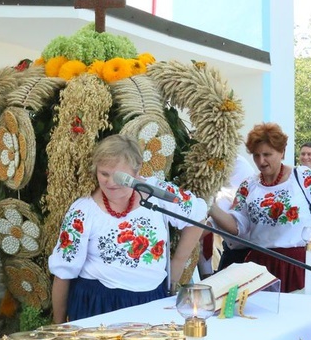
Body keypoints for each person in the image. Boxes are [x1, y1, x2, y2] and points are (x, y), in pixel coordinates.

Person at [48, 134, 208, 323]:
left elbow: (197, 214)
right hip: (98, 304)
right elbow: (63, 273)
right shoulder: (83, 210)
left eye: (119, 176)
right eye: (104, 174)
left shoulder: (156, 192)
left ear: (137, 169)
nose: (110, 183)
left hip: (149, 300)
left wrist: (178, 263)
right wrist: (58, 327)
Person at [209, 123, 311, 292]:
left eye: (267, 154)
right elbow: (237, 227)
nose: (261, 161)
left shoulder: (305, 178)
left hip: (298, 263)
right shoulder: (248, 186)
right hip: (260, 265)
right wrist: (210, 207)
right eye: (256, 155)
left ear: (282, 152)